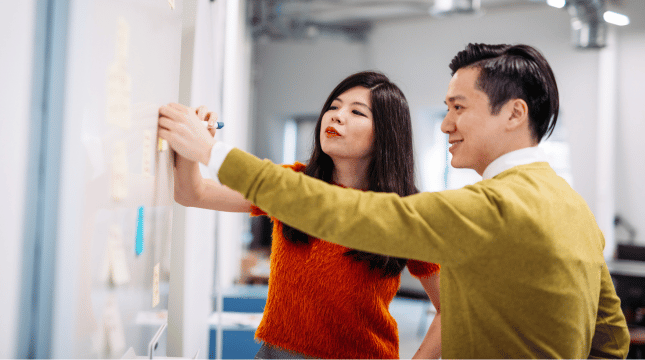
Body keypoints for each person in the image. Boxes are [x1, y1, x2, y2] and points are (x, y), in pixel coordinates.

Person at [159, 43, 632, 358]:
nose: (446, 125)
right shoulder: (571, 206)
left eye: (458, 108)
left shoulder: (485, 207)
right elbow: (610, 334)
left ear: (513, 113)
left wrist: (214, 152)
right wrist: (193, 147)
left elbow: (345, 215)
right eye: (445, 109)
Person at [163, 71, 442, 359]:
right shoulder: (293, 184)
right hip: (275, 354)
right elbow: (190, 193)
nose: (335, 116)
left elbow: (451, 308)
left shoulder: (407, 210)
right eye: (333, 107)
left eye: (357, 111)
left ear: (386, 133)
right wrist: (190, 141)